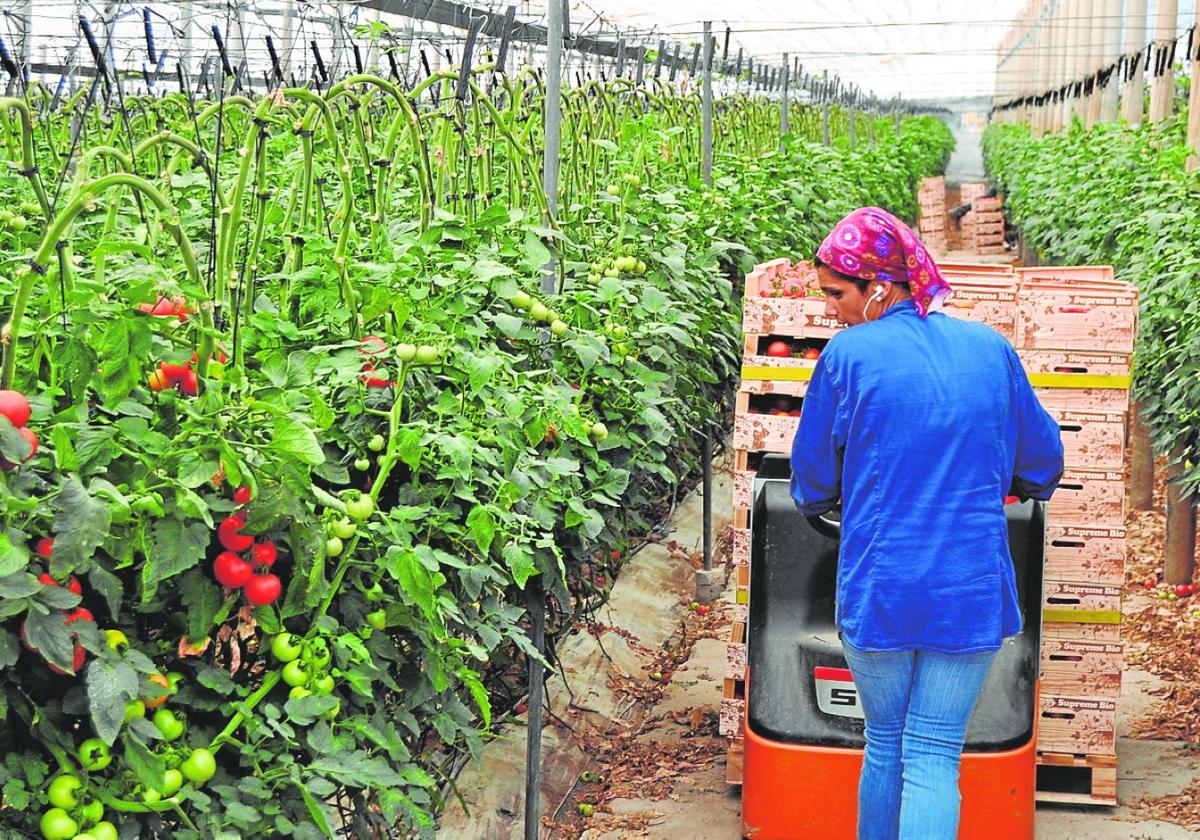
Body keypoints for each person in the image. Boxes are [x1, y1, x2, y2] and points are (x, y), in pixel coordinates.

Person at [788, 207, 1064, 840]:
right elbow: (1043, 461)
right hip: (967, 588)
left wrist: (835, 498)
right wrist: (1014, 485)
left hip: (883, 584)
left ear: (879, 286)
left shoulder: (848, 356)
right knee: (935, 752)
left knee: (885, 743)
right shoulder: (990, 348)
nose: (831, 309)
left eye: (837, 294)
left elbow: (813, 481)